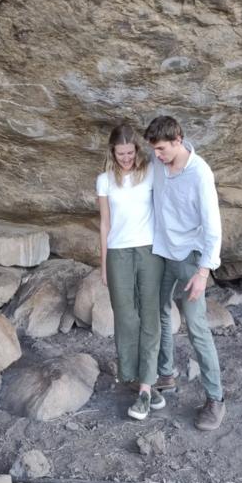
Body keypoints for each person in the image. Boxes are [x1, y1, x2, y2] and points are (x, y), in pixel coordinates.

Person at [144, 115, 225, 431]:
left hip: (191, 258)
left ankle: (215, 399)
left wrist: (203, 272)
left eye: (162, 149)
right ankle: (166, 373)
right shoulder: (158, 162)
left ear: (178, 140)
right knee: (160, 312)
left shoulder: (200, 173)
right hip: (163, 252)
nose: (157, 155)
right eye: (154, 150)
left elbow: (213, 227)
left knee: (196, 326)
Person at [97, 124, 166, 420]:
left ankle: (146, 389)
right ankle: (136, 377)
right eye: (120, 153)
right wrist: (103, 263)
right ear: (112, 152)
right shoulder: (104, 180)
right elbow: (104, 223)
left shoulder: (150, 172)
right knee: (126, 317)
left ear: (137, 150)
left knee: (150, 317)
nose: (125, 158)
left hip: (149, 251)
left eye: (129, 152)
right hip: (118, 253)